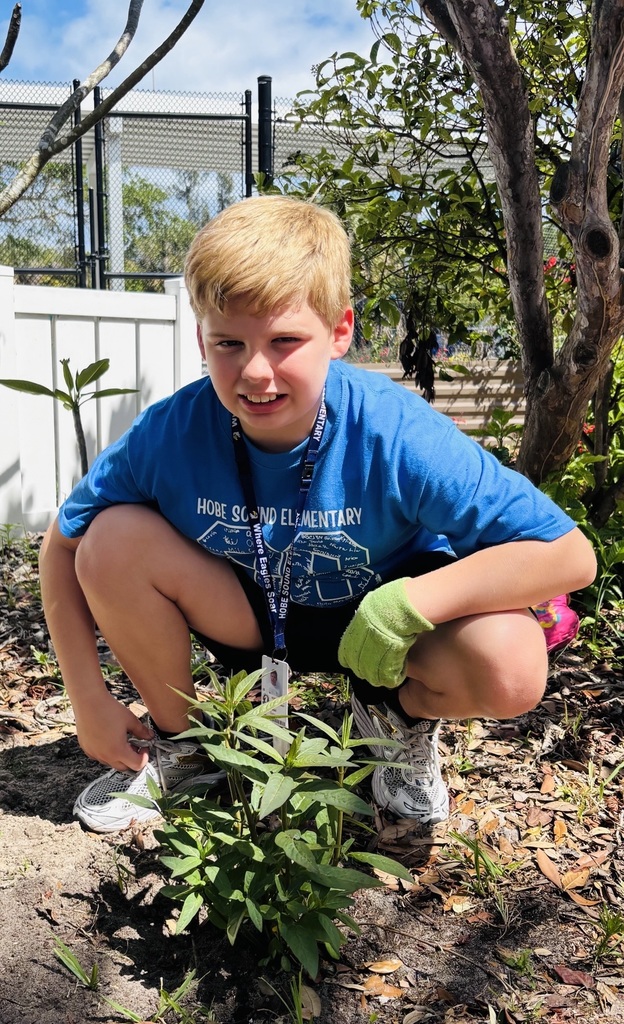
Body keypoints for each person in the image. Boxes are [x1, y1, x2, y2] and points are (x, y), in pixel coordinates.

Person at [39, 196, 596, 834]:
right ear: (200, 338)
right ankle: (187, 743)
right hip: (247, 611)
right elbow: (61, 543)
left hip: (381, 620)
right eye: (228, 343)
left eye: (285, 341)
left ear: (339, 332)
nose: (255, 371)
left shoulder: (396, 434)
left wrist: (406, 607)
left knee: (511, 661)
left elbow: (570, 556)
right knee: (108, 540)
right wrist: (88, 698)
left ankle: (395, 719)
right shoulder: (170, 432)